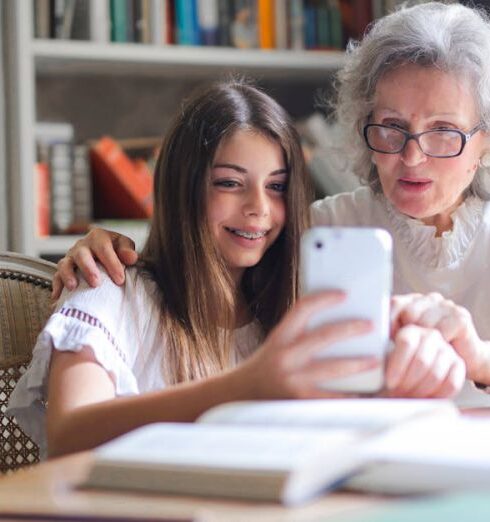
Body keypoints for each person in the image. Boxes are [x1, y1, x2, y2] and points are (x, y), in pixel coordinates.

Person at [7, 80, 465, 459]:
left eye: (277, 187)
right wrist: (248, 385)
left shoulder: (291, 308)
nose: (258, 210)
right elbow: (68, 436)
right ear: (182, 187)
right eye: (229, 183)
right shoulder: (108, 289)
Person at [57, 2, 490, 393]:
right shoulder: (312, 233)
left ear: (483, 142)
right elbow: (197, 256)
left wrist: (480, 359)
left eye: (443, 132)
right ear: (363, 123)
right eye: (392, 127)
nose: (411, 156)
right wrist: (102, 247)